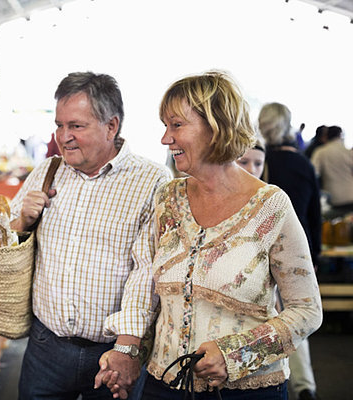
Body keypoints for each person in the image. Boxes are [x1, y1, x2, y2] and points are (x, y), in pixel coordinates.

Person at [97, 71, 323, 400]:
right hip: (164, 387)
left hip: (245, 393)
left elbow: (307, 310)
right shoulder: (167, 199)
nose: (165, 138)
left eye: (176, 125)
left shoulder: (271, 207)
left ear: (215, 127)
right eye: (165, 126)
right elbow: (147, 284)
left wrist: (236, 355)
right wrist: (129, 351)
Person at [11, 71, 170, 400]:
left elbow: (147, 272)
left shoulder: (152, 180)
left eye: (76, 126)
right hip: (45, 349)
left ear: (111, 126)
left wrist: (127, 349)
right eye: (59, 125)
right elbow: (3, 238)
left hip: (112, 356)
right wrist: (22, 221)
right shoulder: (48, 171)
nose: (62, 137)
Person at [238, 136, 321, 400]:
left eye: (257, 163)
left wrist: (312, 257)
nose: (251, 169)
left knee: (290, 317)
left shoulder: (273, 202)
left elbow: (308, 313)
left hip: (282, 265)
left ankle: (303, 385)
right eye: (244, 162)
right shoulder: (300, 165)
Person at [259, 103, 322, 268]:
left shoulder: (256, 162)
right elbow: (314, 214)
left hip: (262, 245)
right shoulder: (304, 164)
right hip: (299, 244)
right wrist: (315, 255)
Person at [311, 125, 353, 218]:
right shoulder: (348, 151)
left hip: (334, 198)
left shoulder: (320, 152)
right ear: (340, 135)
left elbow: (313, 173)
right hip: (351, 196)